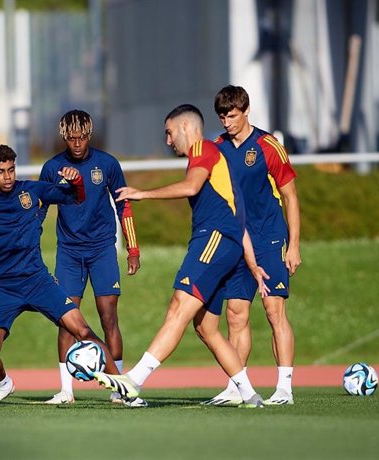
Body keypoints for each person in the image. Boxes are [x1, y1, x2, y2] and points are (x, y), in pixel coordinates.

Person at [93, 104, 267, 408]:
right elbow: (239, 216)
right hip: (227, 243)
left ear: (186, 127)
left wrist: (142, 194)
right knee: (205, 327)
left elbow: (191, 187)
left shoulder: (204, 149)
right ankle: (249, 394)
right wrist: (251, 262)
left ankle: (134, 381)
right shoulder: (215, 156)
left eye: (169, 133)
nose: (169, 140)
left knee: (178, 306)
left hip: (212, 239)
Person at [0, 144, 122, 408]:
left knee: (83, 330)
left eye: (11, 170)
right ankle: (4, 384)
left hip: (38, 281)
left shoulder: (32, 191)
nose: (7, 176)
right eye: (0, 171)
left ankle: (123, 386)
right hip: (2, 288)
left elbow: (74, 197)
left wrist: (77, 181)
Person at [201, 85, 300, 406]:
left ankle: (284, 388)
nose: (227, 122)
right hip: (236, 243)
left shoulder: (269, 145)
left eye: (232, 116)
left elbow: (290, 197)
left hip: (269, 238)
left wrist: (294, 245)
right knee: (235, 314)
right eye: (222, 116)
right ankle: (236, 387)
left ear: (245, 112)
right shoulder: (216, 147)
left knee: (274, 310)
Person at [39, 110, 141, 405]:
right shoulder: (52, 167)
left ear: (89, 134)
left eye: (82, 137)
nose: (77, 143)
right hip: (68, 253)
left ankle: (118, 388)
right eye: (71, 138)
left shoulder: (107, 164)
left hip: (102, 250)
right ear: (64, 137)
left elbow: (124, 206)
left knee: (109, 318)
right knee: (66, 321)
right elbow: (40, 210)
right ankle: (65, 391)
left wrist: (132, 249)